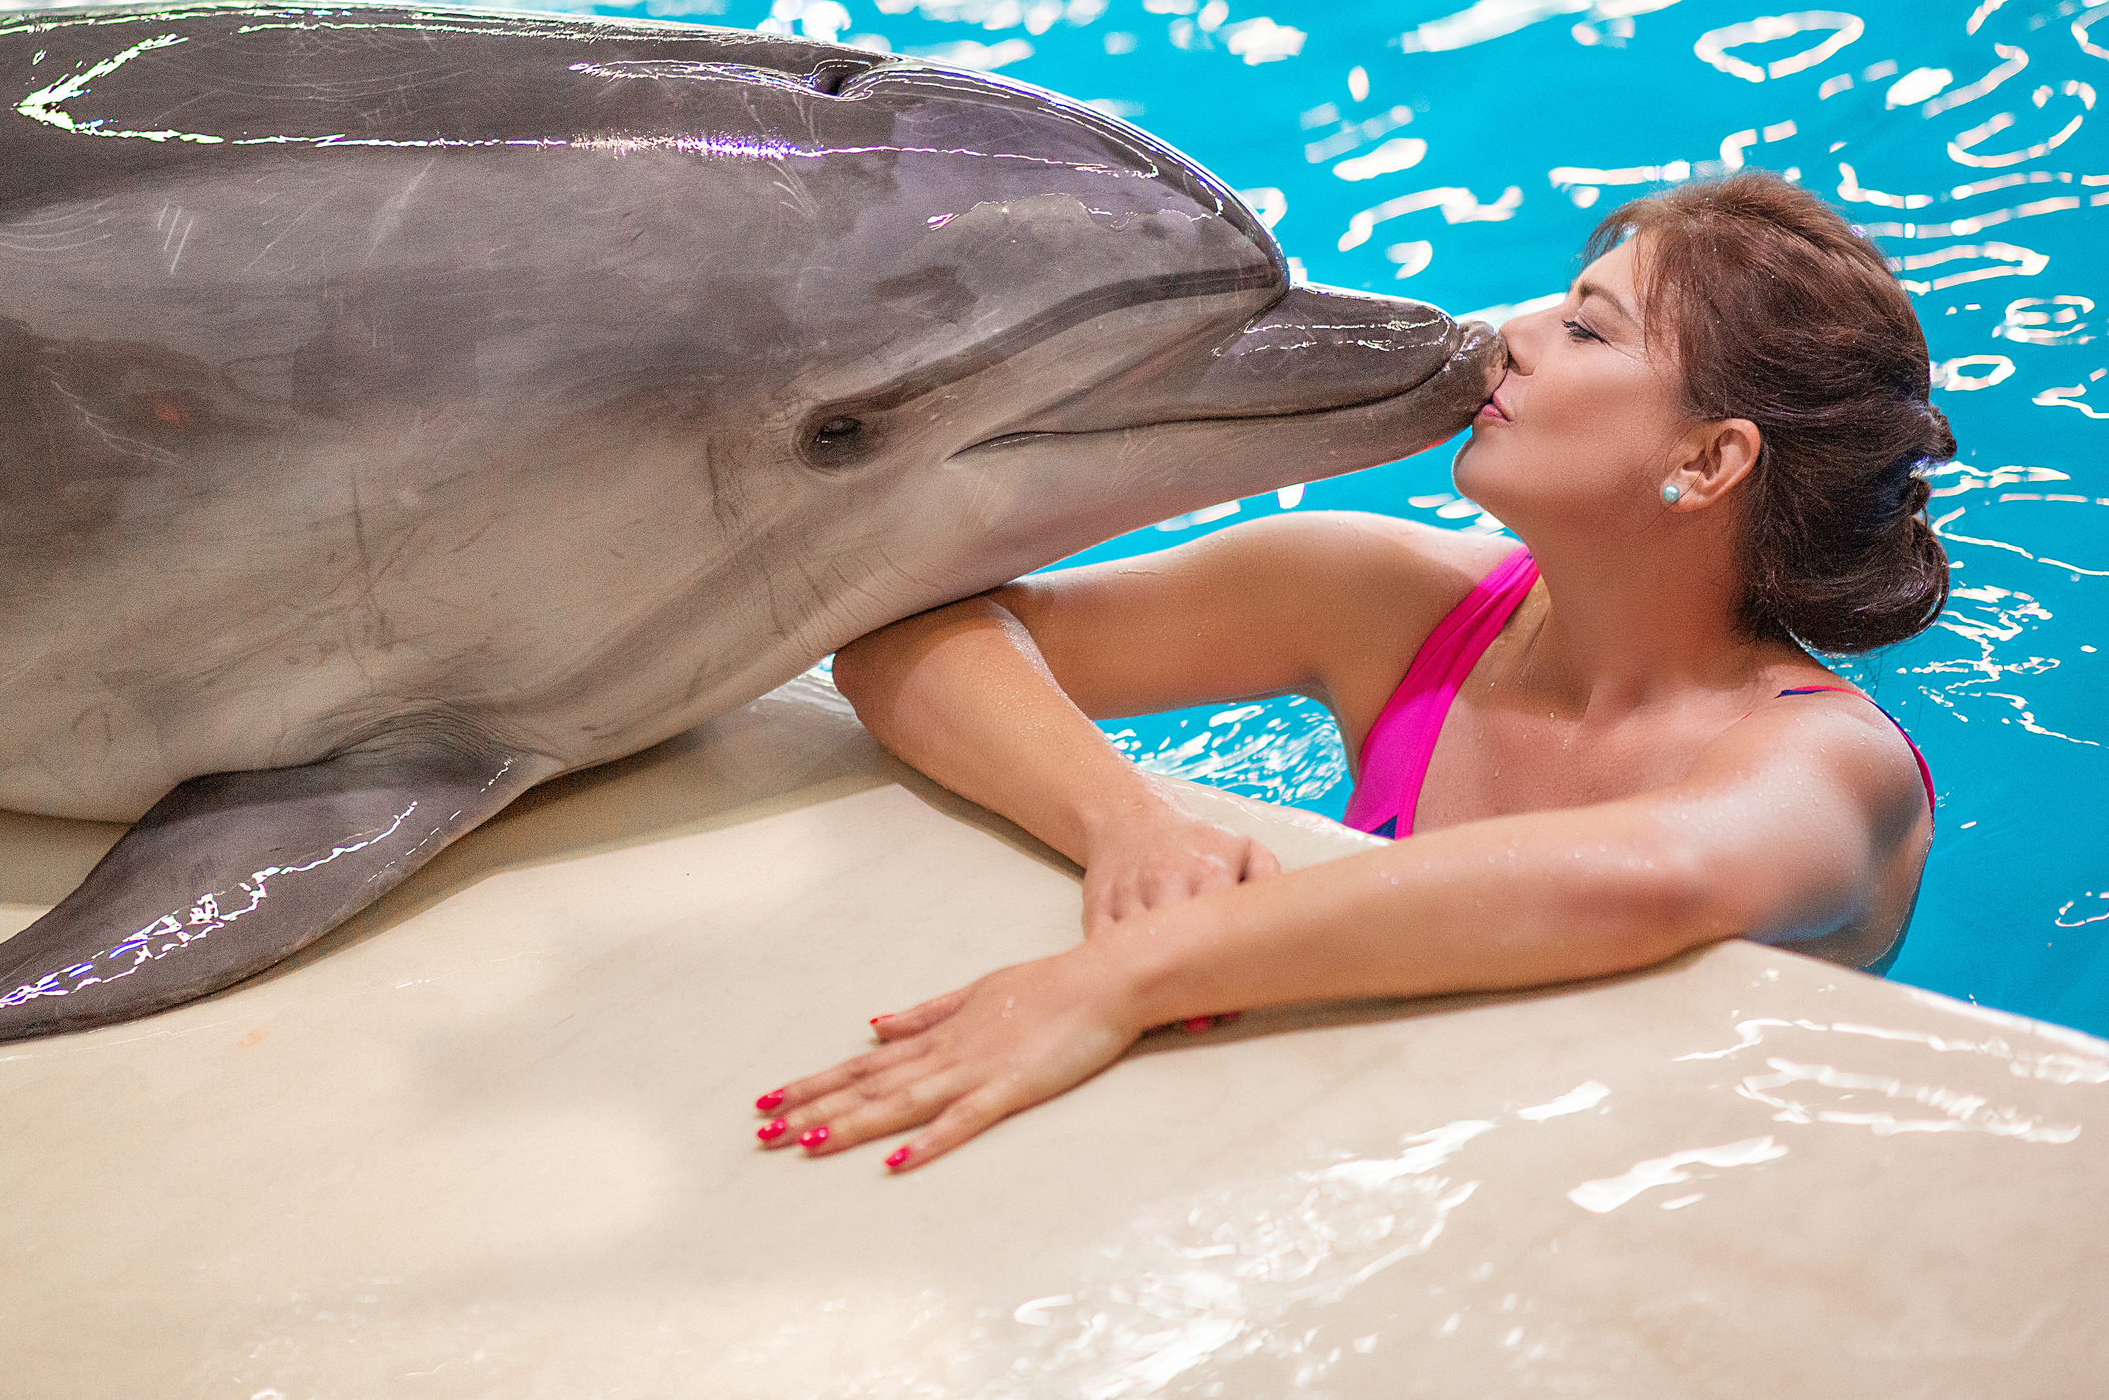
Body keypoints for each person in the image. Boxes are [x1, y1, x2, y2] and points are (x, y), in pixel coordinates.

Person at [748, 171, 1954, 1172]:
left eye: (1585, 328)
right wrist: (1129, 822)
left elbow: (1650, 877)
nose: (1508, 334)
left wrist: (1121, 977)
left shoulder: (1829, 763)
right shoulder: (1383, 601)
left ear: (1707, 460)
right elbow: (904, 637)